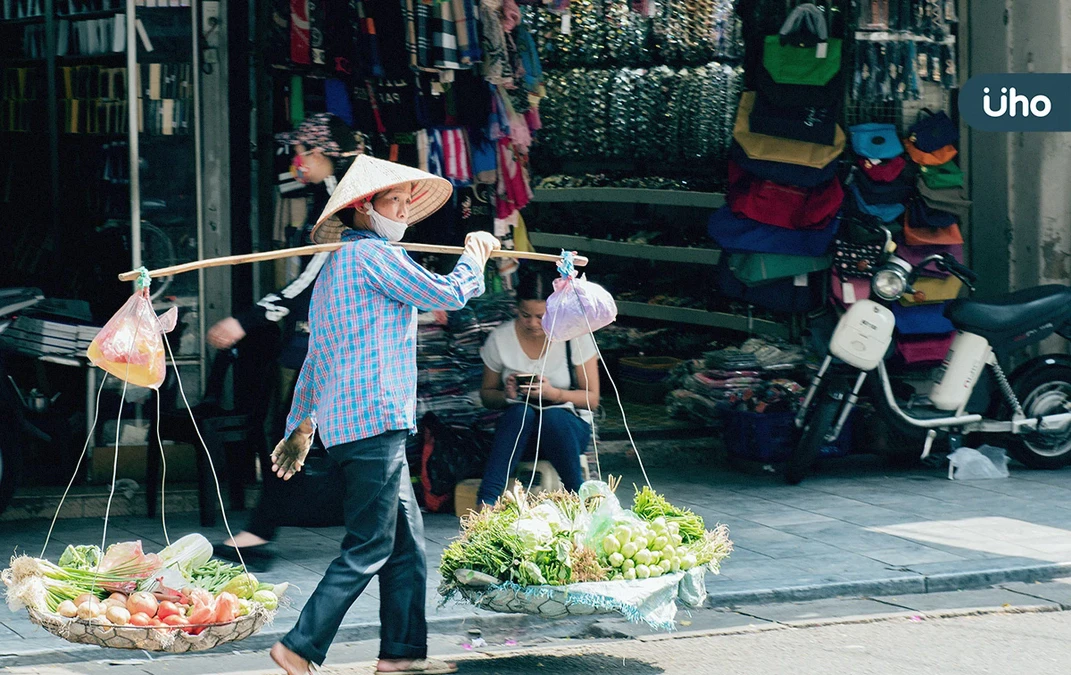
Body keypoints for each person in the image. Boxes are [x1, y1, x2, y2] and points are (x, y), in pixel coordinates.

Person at [265, 154, 501, 675]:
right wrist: (475, 256)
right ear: (364, 207)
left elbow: (319, 357)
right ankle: (299, 644)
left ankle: (401, 655)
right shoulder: (371, 254)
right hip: (373, 421)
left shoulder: (339, 266)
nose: (402, 211)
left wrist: (301, 425)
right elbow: (445, 294)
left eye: (404, 202)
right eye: (393, 201)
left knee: (406, 547)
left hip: (360, 424)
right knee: (370, 544)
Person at [208, 113, 364, 569]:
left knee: (298, 429)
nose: (295, 161)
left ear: (319, 153)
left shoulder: (341, 202)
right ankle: (264, 530)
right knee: (320, 430)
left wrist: (247, 320)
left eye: (299, 152)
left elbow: (310, 279)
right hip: (339, 337)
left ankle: (259, 533)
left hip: (339, 338)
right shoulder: (334, 195)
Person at [476, 269, 600, 507]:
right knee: (520, 413)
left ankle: (578, 496)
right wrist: (507, 396)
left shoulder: (574, 336)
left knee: (553, 417)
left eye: (541, 316)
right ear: (516, 308)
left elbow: (592, 399)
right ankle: (487, 501)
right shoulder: (500, 338)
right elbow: (487, 396)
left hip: (566, 432)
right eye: (525, 315)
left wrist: (554, 394)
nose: (533, 323)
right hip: (520, 436)